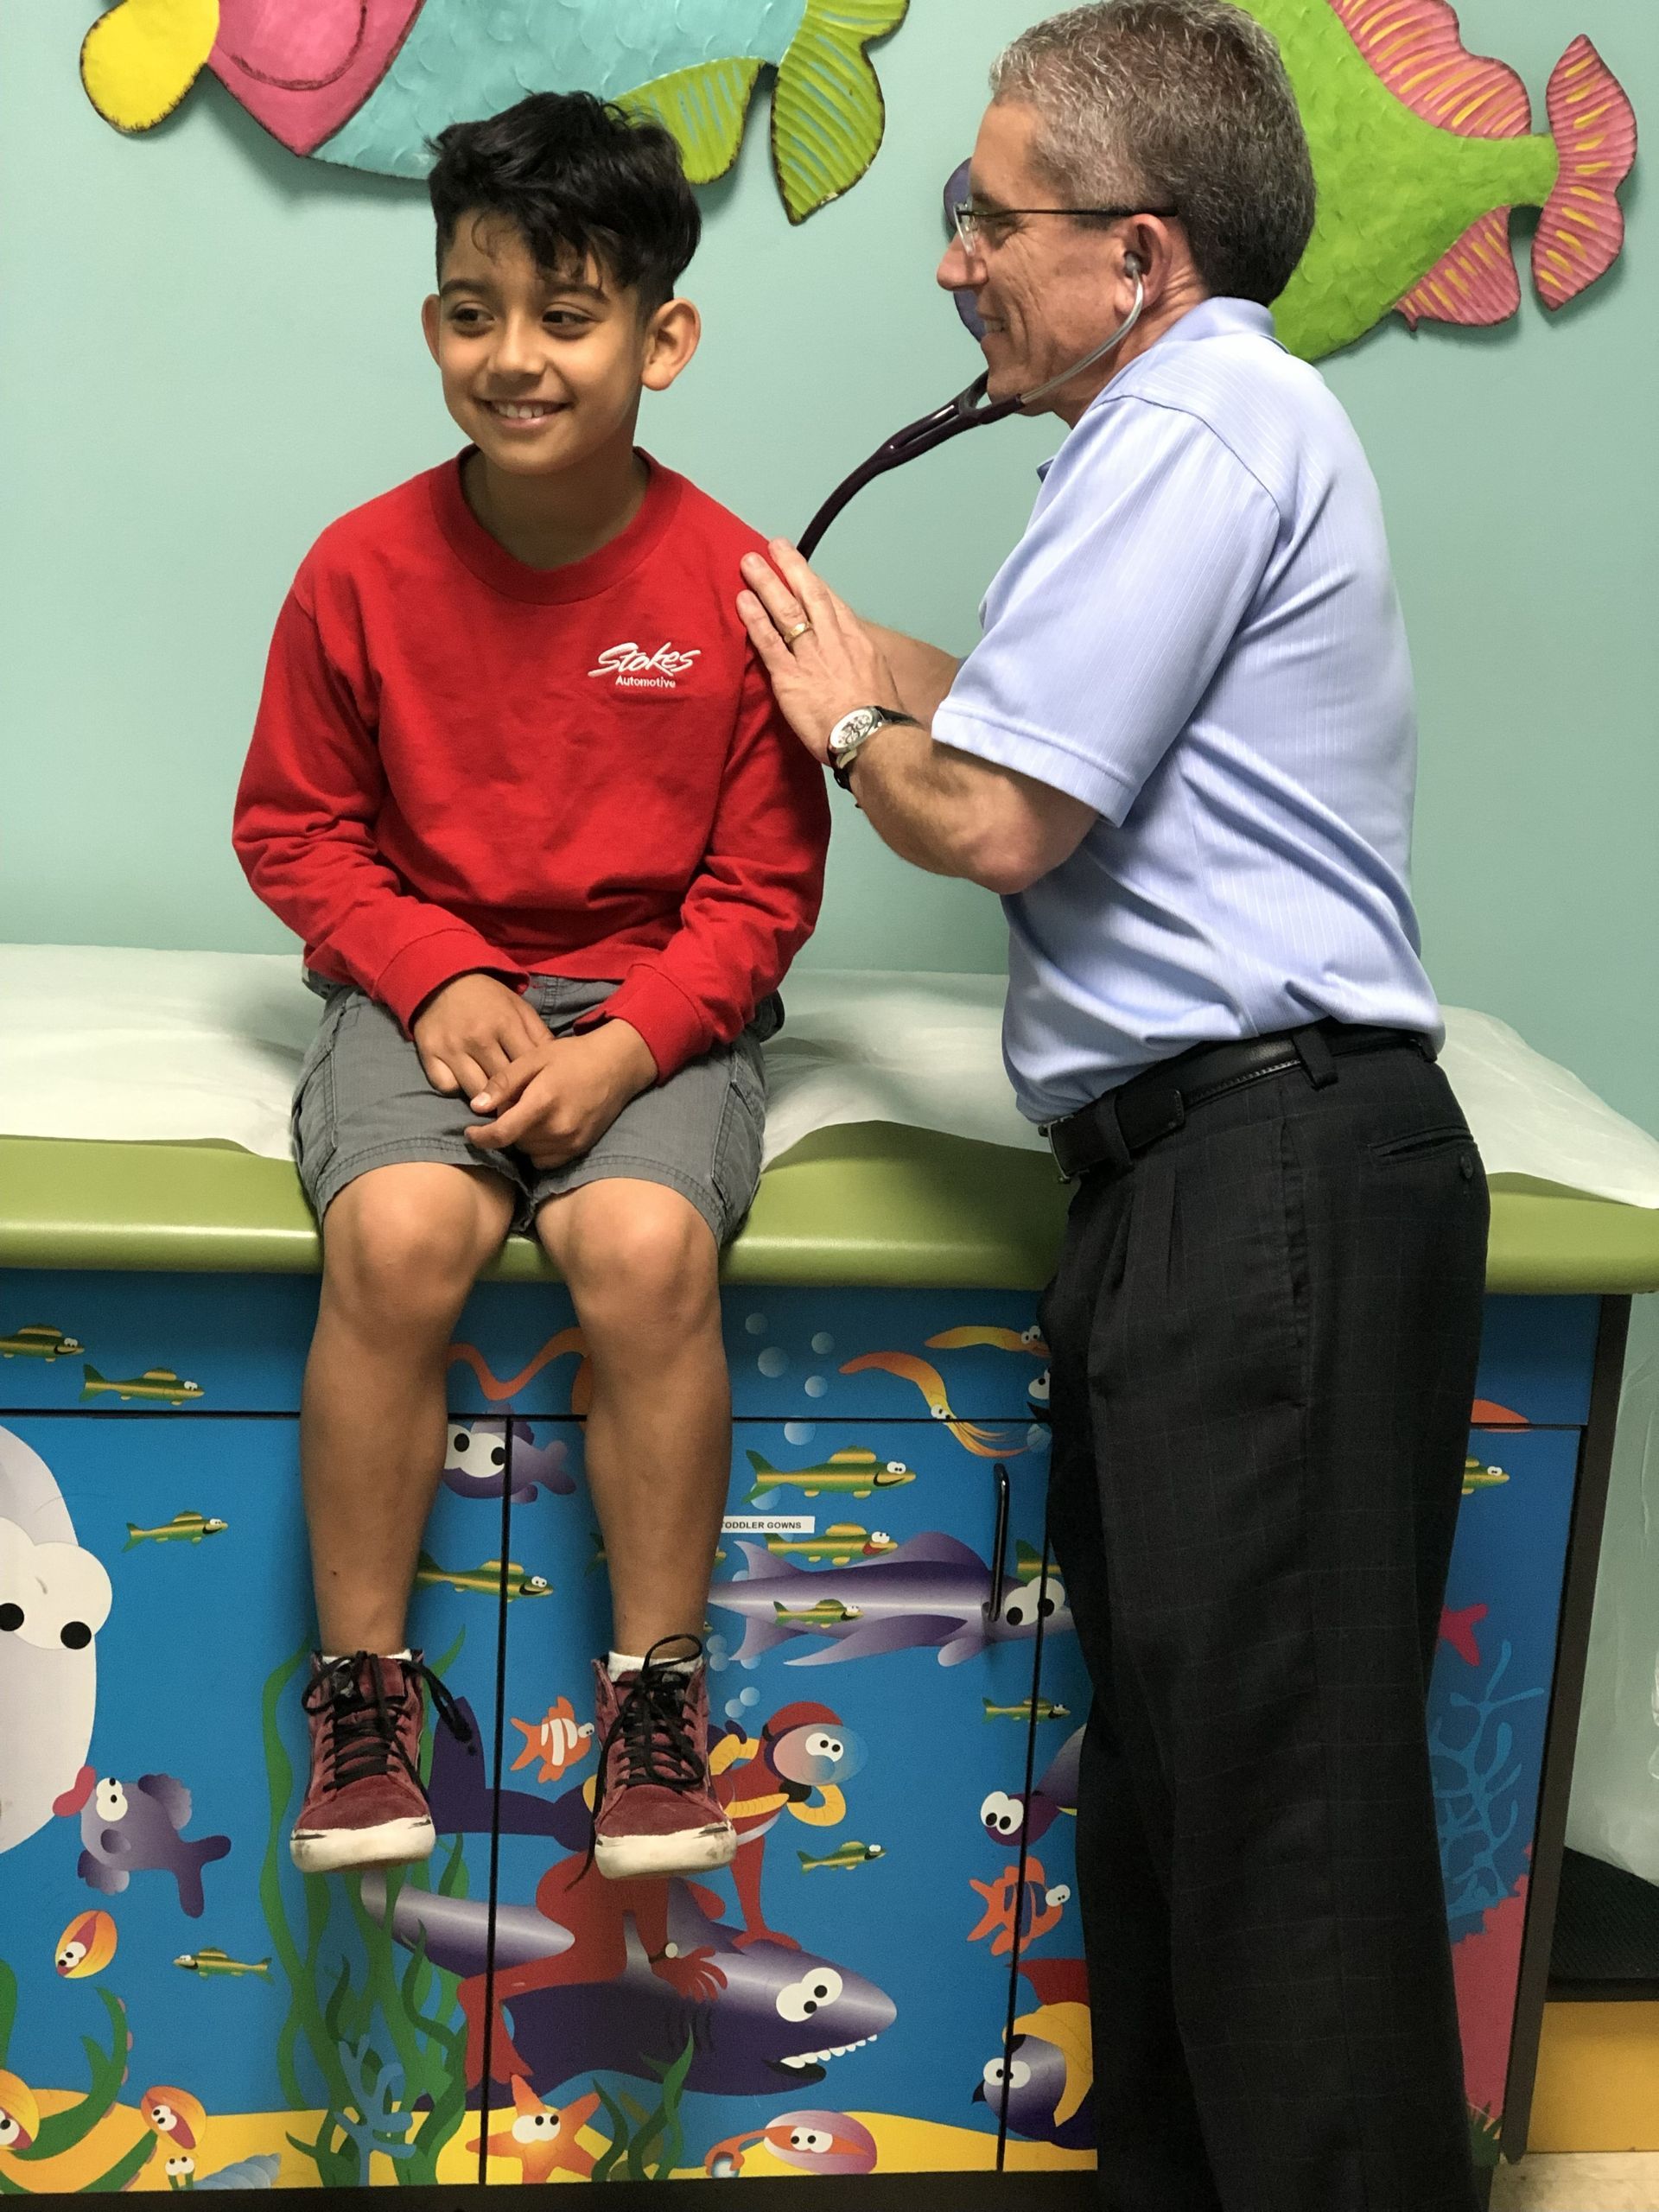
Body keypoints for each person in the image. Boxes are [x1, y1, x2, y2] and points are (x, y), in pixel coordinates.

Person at [736, 4, 1487, 2208]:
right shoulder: (1179, 431)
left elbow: (994, 823)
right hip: (1207, 1190)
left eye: (990, 214)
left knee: (1283, 1853)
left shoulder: (1201, 422)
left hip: (1273, 1176)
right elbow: (1063, 743)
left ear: (1137, 254)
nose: (957, 257)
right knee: (1181, 1825)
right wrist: (880, 670)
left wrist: (852, 737)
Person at [233, 92, 830, 1887]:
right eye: (473, 309)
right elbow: (296, 832)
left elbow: (763, 890)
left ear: (665, 337)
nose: (515, 355)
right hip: (432, 995)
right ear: (434, 326)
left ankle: (657, 1705)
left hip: (654, 1005)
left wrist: (631, 1041)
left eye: (566, 316)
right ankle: (363, 1698)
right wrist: (431, 973)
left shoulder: (738, 590)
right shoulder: (359, 567)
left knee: (641, 1250)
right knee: (401, 1236)